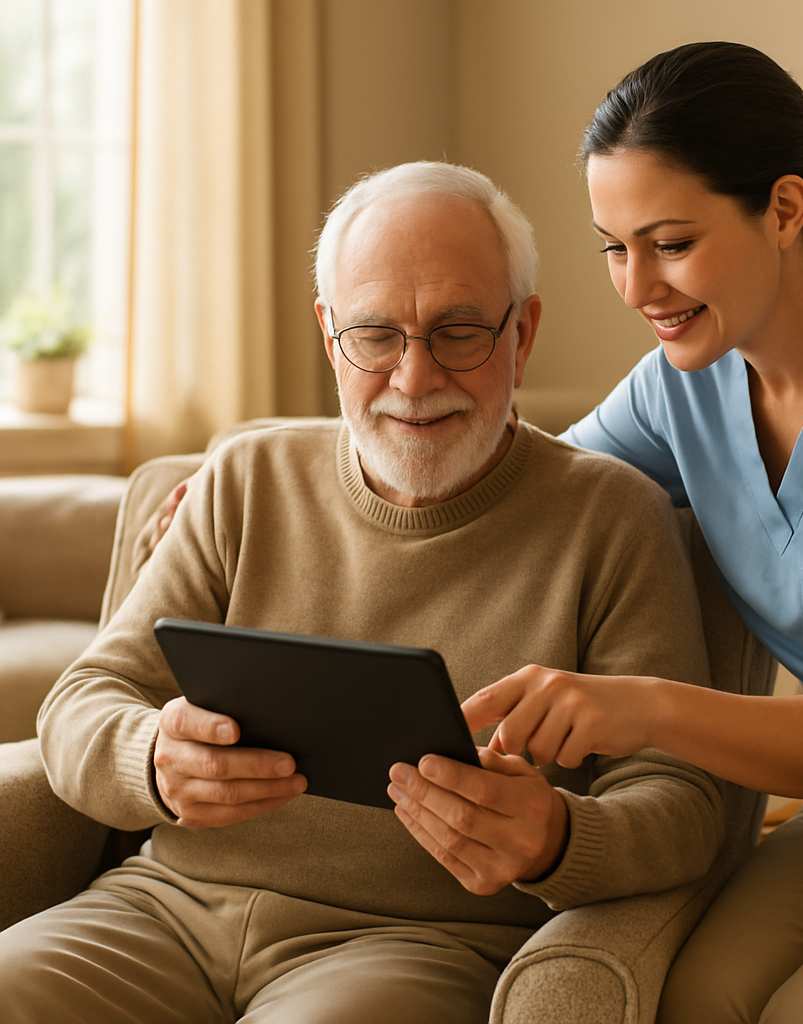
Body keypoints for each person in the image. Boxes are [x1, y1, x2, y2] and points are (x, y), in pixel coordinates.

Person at [0, 162, 726, 1023]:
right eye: (376, 334)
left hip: (411, 945)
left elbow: (684, 804)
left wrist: (556, 838)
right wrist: (150, 758)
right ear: (328, 334)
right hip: (157, 913)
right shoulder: (244, 479)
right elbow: (84, 699)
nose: (414, 379)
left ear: (523, 334)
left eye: (459, 331)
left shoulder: (613, 519)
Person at [462, 42, 803, 1023]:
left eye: (670, 243)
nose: (637, 287)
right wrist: (265, 481)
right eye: (612, 245)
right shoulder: (684, 388)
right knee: (694, 998)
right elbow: (521, 494)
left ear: (785, 210)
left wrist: (638, 708)